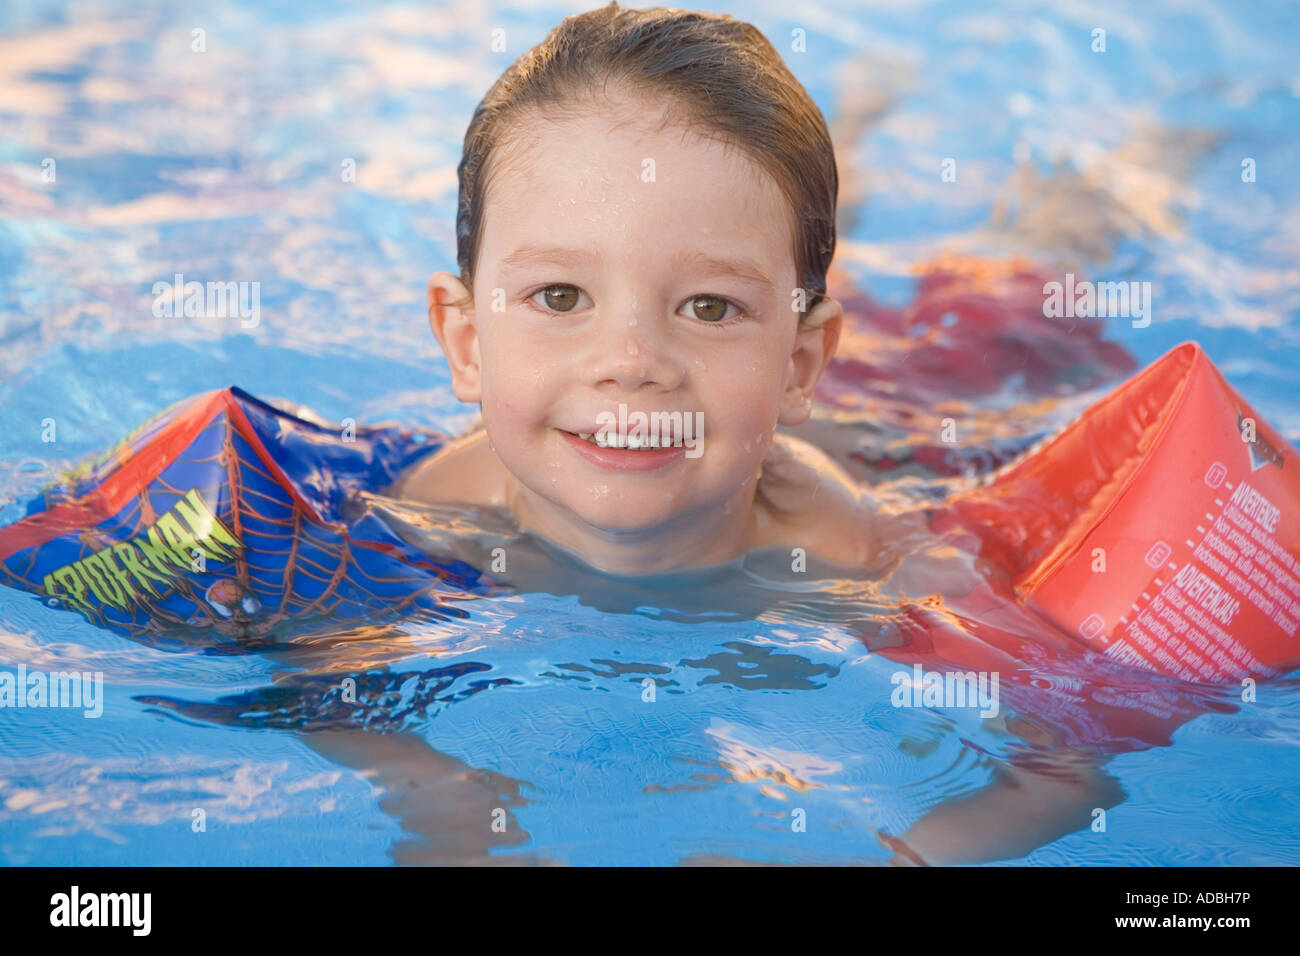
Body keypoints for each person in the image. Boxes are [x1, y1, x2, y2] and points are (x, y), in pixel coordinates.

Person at [395, 2, 880, 576]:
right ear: (467, 343)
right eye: (560, 296)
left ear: (799, 367)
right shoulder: (429, 519)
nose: (630, 363)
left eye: (709, 306)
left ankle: (862, 129)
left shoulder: (851, 559)